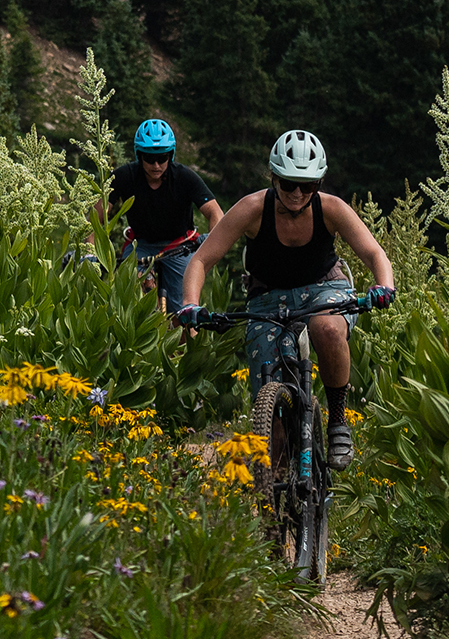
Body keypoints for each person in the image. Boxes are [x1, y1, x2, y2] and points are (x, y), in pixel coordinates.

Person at [175, 128, 395, 470]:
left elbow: (374, 253)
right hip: (268, 299)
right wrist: (190, 304)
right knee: (272, 418)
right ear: (273, 178)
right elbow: (201, 260)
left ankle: (338, 421)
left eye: (308, 186)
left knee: (327, 329)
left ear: (319, 184)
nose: (297, 193)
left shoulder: (331, 209)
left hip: (325, 289)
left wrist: (384, 286)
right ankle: (276, 488)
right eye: (289, 183)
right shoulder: (252, 209)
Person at [99, 117, 220, 309]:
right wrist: (90, 251)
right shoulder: (124, 176)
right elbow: (96, 216)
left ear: (170, 155)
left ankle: (182, 326)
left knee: (184, 307)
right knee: (131, 297)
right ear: (139, 156)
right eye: (149, 159)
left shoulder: (185, 177)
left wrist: (210, 246)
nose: (156, 165)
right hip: (140, 245)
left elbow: (215, 213)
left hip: (179, 246)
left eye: (162, 158)